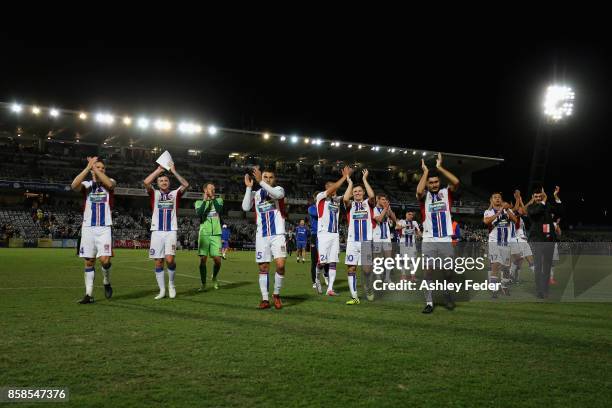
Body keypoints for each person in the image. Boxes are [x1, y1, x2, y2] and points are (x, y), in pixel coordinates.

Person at [416, 153, 460, 313]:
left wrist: (440, 167)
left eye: (436, 182)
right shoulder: (424, 197)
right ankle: (429, 302)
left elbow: (456, 182)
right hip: (428, 239)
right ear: (428, 184)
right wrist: (425, 172)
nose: (434, 185)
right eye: (431, 183)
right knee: (428, 271)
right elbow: (418, 190)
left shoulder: (446, 193)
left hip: (445, 238)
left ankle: (447, 293)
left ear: (439, 182)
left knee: (448, 271)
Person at [70, 157, 116, 304]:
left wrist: (94, 168)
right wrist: (87, 168)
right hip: (88, 227)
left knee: (105, 261)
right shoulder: (87, 184)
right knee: (89, 261)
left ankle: (106, 281)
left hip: (104, 227)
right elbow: (73, 185)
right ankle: (88, 295)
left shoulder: (110, 182)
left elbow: (109, 183)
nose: (100, 169)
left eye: (103, 168)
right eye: (98, 167)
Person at [242, 167, 287, 309]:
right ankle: (265, 299)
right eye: (265, 177)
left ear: (275, 179)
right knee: (263, 267)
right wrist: (249, 188)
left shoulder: (279, 190)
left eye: (270, 177)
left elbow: (276, 195)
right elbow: (245, 207)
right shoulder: (256, 194)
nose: (268, 179)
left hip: (278, 234)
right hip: (262, 235)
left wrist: (261, 181)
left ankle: (276, 294)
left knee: (280, 265)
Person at [143, 164, 189, 299]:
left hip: (171, 230)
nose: (163, 182)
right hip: (157, 230)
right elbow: (146, 182)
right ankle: (162, 290)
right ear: (157, 183)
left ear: (169, 182)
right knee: (158, 262)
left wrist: (173, 170)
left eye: (166, 180)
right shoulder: (154, 193)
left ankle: (171, 284)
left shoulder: (174, 194)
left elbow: (186, 184)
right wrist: (158, 170)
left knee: (169, 259)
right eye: (161, 181)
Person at [315, 166, 351, 296]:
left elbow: (349, 194)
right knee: (322, 262)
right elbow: (333, 188)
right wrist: (342, 177)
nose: (334, 189)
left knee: (333, 261)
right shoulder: (320, 197)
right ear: (327, 188)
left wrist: (349, 180)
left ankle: (330, 289)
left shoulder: (337, 200)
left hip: (335, 234)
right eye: (332, 187)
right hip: (323, 234)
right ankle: (317, 279)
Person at [343, 169, 376, 304]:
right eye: (355, 192)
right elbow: (345, 198)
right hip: (352, 241)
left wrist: (364, 180)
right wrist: (349, 182)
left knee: (367, 270)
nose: (357, 193)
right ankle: (354, 297)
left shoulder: (368, 204)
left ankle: (368, 288)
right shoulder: (350, 205)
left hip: (366, 241)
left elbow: (372, 196)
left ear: (363, 193)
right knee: (351, 268)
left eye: (359, 191)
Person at [526, 186, 562, 298]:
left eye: (540, 196)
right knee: (538, 266)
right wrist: (544, 200)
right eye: (536, 196)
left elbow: (559, 211)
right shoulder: (531, 207)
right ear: (533, 197)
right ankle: (539, 290)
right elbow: (536, 212)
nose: (538, 198)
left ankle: (545, 290)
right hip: (537, 240)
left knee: (547, 266)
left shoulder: (547, 206)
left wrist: (555, 196)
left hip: (549, 240)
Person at [483, 193, 518, 297]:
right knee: (495, 266)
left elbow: (515, 221)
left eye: (499, 197)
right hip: (494, 242)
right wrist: (499, 212)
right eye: (495, 197)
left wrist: (506, 210)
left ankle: (504, 286)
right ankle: (494, 290)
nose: (497, 199)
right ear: (491, 200)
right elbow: (486, 221)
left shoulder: (507, 211)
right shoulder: (488, 212)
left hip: (506, 243)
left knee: (506, 267)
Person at [195, 182, 224, 291]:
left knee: (217, 260)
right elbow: (199, 213)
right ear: (205, 190)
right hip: (204, 233)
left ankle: (214, 277)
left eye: (214, 189)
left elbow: (219, 210)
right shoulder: (198, 202)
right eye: (210, 188)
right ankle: (203, 284)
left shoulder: (219, 200)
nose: (213, 190)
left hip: (216, 234)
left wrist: (212, 198)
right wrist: (205, 201)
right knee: (203, 259)